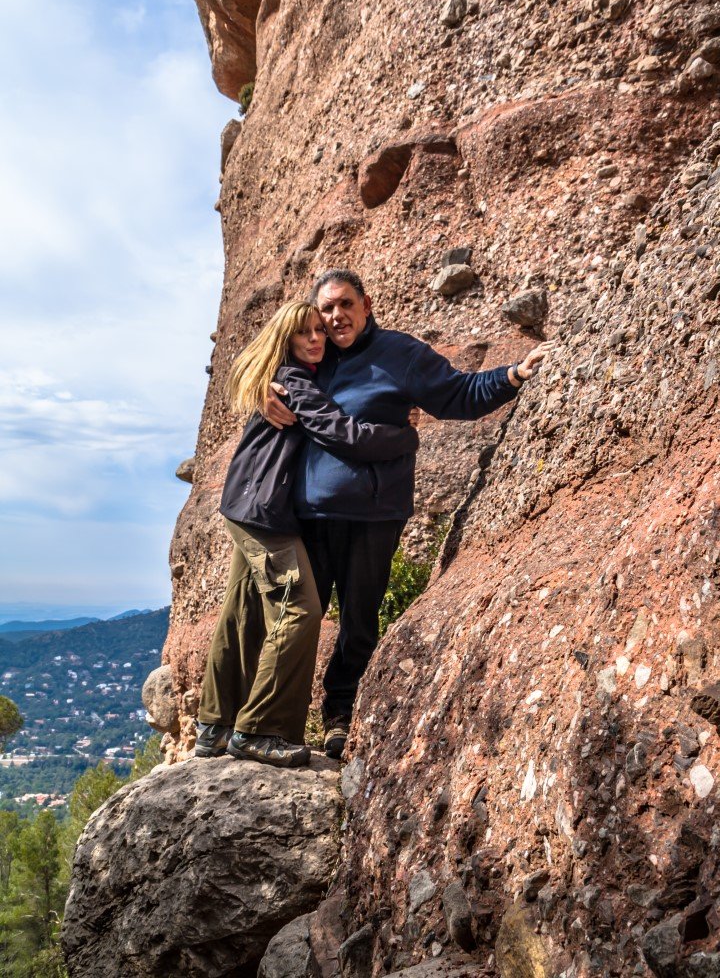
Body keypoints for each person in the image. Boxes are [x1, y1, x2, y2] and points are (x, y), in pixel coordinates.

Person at [264, 269, 549, 758]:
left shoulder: (399, 353)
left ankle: (339, 715)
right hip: (310, 514)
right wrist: (261, 392)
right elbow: (256, 369)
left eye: (345, 304)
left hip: (375, 512)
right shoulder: (310, 356)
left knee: (359, 617)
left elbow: (457, 394)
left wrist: (513, 375)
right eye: (327, 308)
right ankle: (273, 723)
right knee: (297, 617)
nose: (336, 316)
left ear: (366, 305)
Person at [194, 300, 419, 767]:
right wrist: (404, 436)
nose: (316, 338)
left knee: (243, 613)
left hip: (247, 503)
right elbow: (342, 433)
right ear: (286, 338)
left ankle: (215, 727)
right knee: (299, 608)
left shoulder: (290, 374)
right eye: (304, 332)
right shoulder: (293, 380)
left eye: (319, 330)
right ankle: (260, 729)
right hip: (262, 510)